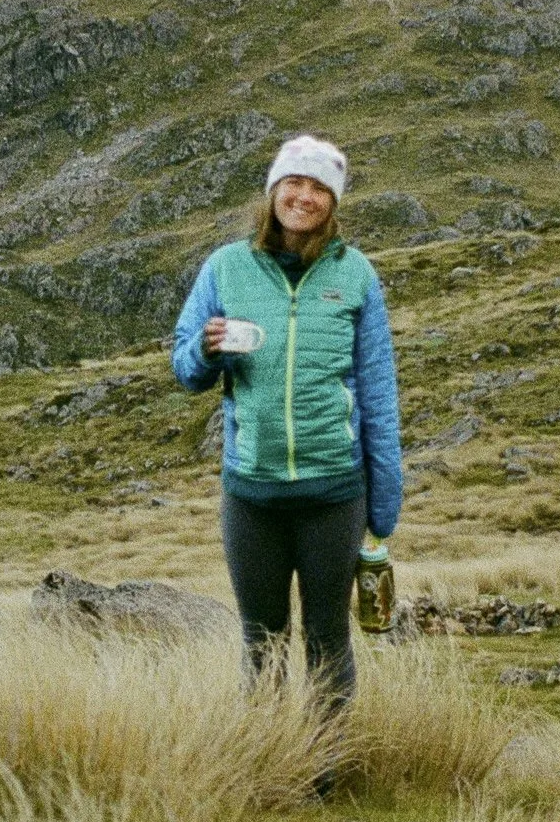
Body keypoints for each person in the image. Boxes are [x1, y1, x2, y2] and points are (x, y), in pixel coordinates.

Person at [171, 133, 403, 717]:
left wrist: (385, 505)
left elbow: (377, 390)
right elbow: (185, 369)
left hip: (333, 493)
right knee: (261, 644)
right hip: (251, 494)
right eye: (294, 182)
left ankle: (321, 774)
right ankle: (270, 767)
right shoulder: (225, 267)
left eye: (319, 187)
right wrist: (208, 350)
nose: (304, 196)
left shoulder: (356, 276)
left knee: (328, 644)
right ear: (274, 190)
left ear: (334, 202)